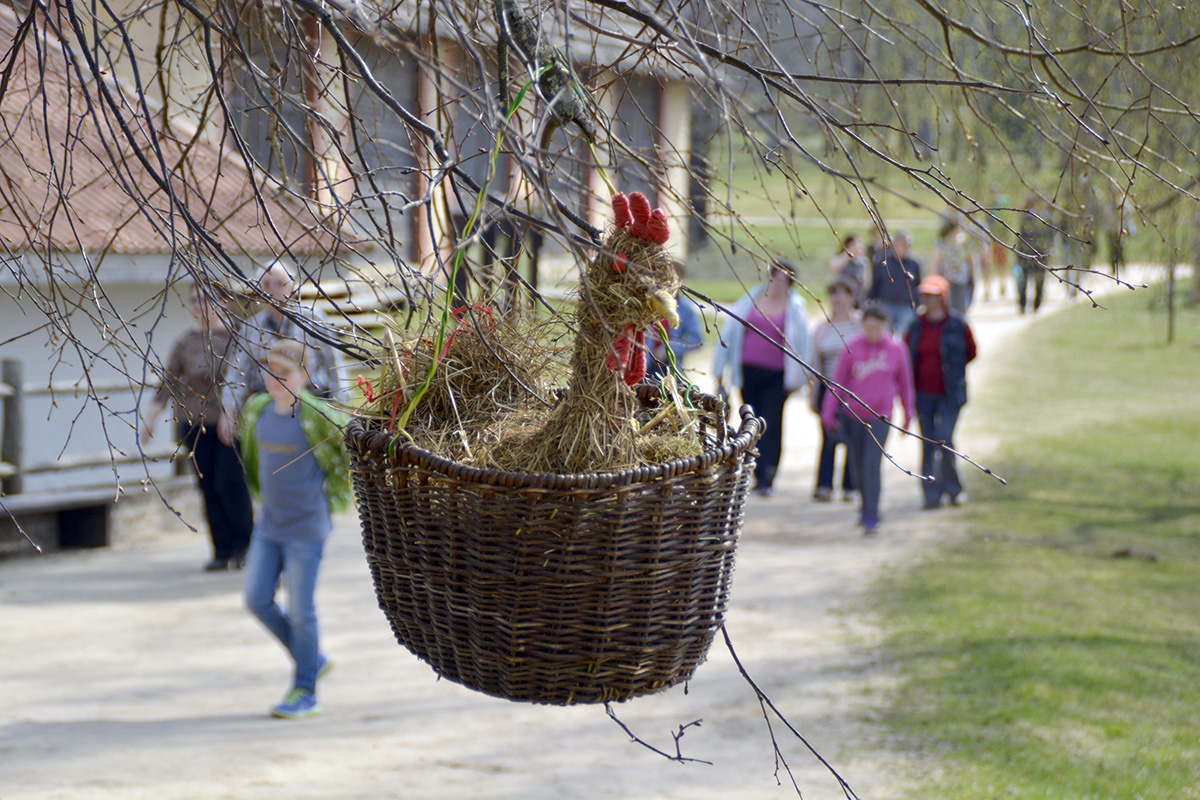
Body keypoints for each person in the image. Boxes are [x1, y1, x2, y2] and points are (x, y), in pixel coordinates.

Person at [239, 340, 351, 719]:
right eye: (270, 371)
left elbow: (347, 453)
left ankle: (306, 690)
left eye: (284, 373)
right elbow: (253, 458)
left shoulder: (317, 415)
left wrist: (337, 498)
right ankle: (312, 658)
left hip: (307, 529)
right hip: (269, 526)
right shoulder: (257, 410)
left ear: (304, 376)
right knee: (257, 599)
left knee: (301, 610)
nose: (274, 380)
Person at [141, 284, 254, 571]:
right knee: (208, 487)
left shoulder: (238, 338)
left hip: (231, 425)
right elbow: (167, 382)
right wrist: (151, 417)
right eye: (194, 300)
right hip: (195, 425)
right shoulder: (185, 342)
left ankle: (245, 546)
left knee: (231, 484)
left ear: (223, 302)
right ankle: (221, 549)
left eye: (205, 299)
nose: (199, 305)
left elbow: (248, 379)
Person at [217, 261, 346, 446]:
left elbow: (335, 366)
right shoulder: (251, 327)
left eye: (279, 283)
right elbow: (237, 372)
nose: (272, 290)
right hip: (269, 405)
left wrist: (340, 408)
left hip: (311, 402)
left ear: (292, 287)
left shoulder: (314, 320)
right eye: (266, 285)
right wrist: (229, 410)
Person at [713, 260, 811, 497]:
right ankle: (752, 471)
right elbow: (729, 333)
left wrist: (800, 379)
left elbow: (803, 345)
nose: (778, 283)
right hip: (747, 372)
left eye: (784, 280)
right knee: (750, 421)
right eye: (775, 277)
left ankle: (768, 473)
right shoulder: (750, 300)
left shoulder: (796, 308)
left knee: (771, 423)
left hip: (777, 376)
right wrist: (720, 370)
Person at [821, 304, 914, 535]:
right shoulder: (852, 349)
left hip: (880, 418)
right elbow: (838, 383)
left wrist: (908, 413)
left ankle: (872, 515)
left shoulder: (897, 349)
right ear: (863, 326)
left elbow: (905, 384)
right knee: (857, 466)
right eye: (868, 326)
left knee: (872, 466)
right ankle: (865, 506)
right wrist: (828, 412)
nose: (873, 331)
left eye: (878, 327)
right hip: (853, 416)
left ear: (885, 326)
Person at [904, 275, 977, 510]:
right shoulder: (915, 326)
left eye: (934, 296)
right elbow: (906, 357)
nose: (929, 300)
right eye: (926, 295)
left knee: (943, 438)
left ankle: (954, 490)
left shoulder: (958, 325)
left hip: (949, 394)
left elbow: (972, 352)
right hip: (923, 395)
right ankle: (931, 495)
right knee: (927, 443)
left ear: (943, 298)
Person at [809, 277, 863, 502]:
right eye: (834, 294)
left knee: (852, 436)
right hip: (827, 387)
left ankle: (851, 486)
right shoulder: (822, 329)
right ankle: (824, 485)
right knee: (828, 436)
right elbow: (815, 364)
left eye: (843, 294)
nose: (838, 299)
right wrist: (813, 395)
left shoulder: (859, 326)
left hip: (853, 390)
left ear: (851, 298)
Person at [647, 261, 704, 381]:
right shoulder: (648, 304)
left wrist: (668, 350)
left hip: (671, 369)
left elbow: (696, 340)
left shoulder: (685, 309)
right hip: (645, 367)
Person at [866, 230, 923, 333]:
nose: (906, 248)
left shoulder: (914, 264)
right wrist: (870, 300)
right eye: (903, 245)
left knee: (906, 333)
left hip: (906, 306)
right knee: (885, 333)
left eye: (908, 245)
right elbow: (876, 283)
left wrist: (918, 304)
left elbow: (918, 285)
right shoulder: (883, 261)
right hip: (886, 304)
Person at [1014, 194, 1055, 314]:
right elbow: (1020, 235)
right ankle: (1022, 303)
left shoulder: (1048, 219)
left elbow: (1051, 236)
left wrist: (1050, 250)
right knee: (1024, 280)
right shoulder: (1027, 218)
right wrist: (1018, 253)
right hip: (1027, 254)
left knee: (1040, 280)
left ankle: (1037, 304)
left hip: (1041, 254)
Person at [928, 218, 976, 315]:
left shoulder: (964, 243)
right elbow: (936, 262)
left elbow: (970, 260)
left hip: (961, 280)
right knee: (948, 307)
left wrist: (973, 276)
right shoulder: (942, 244)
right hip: (947, 280)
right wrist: (935, 279)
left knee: (961, 307)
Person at [828, 234, 871, 304]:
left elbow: (866, 283)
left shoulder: (863, 262)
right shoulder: (840, 258)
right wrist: (849, 254)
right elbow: (835, 267)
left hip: (858, 297)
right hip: (842, 295)